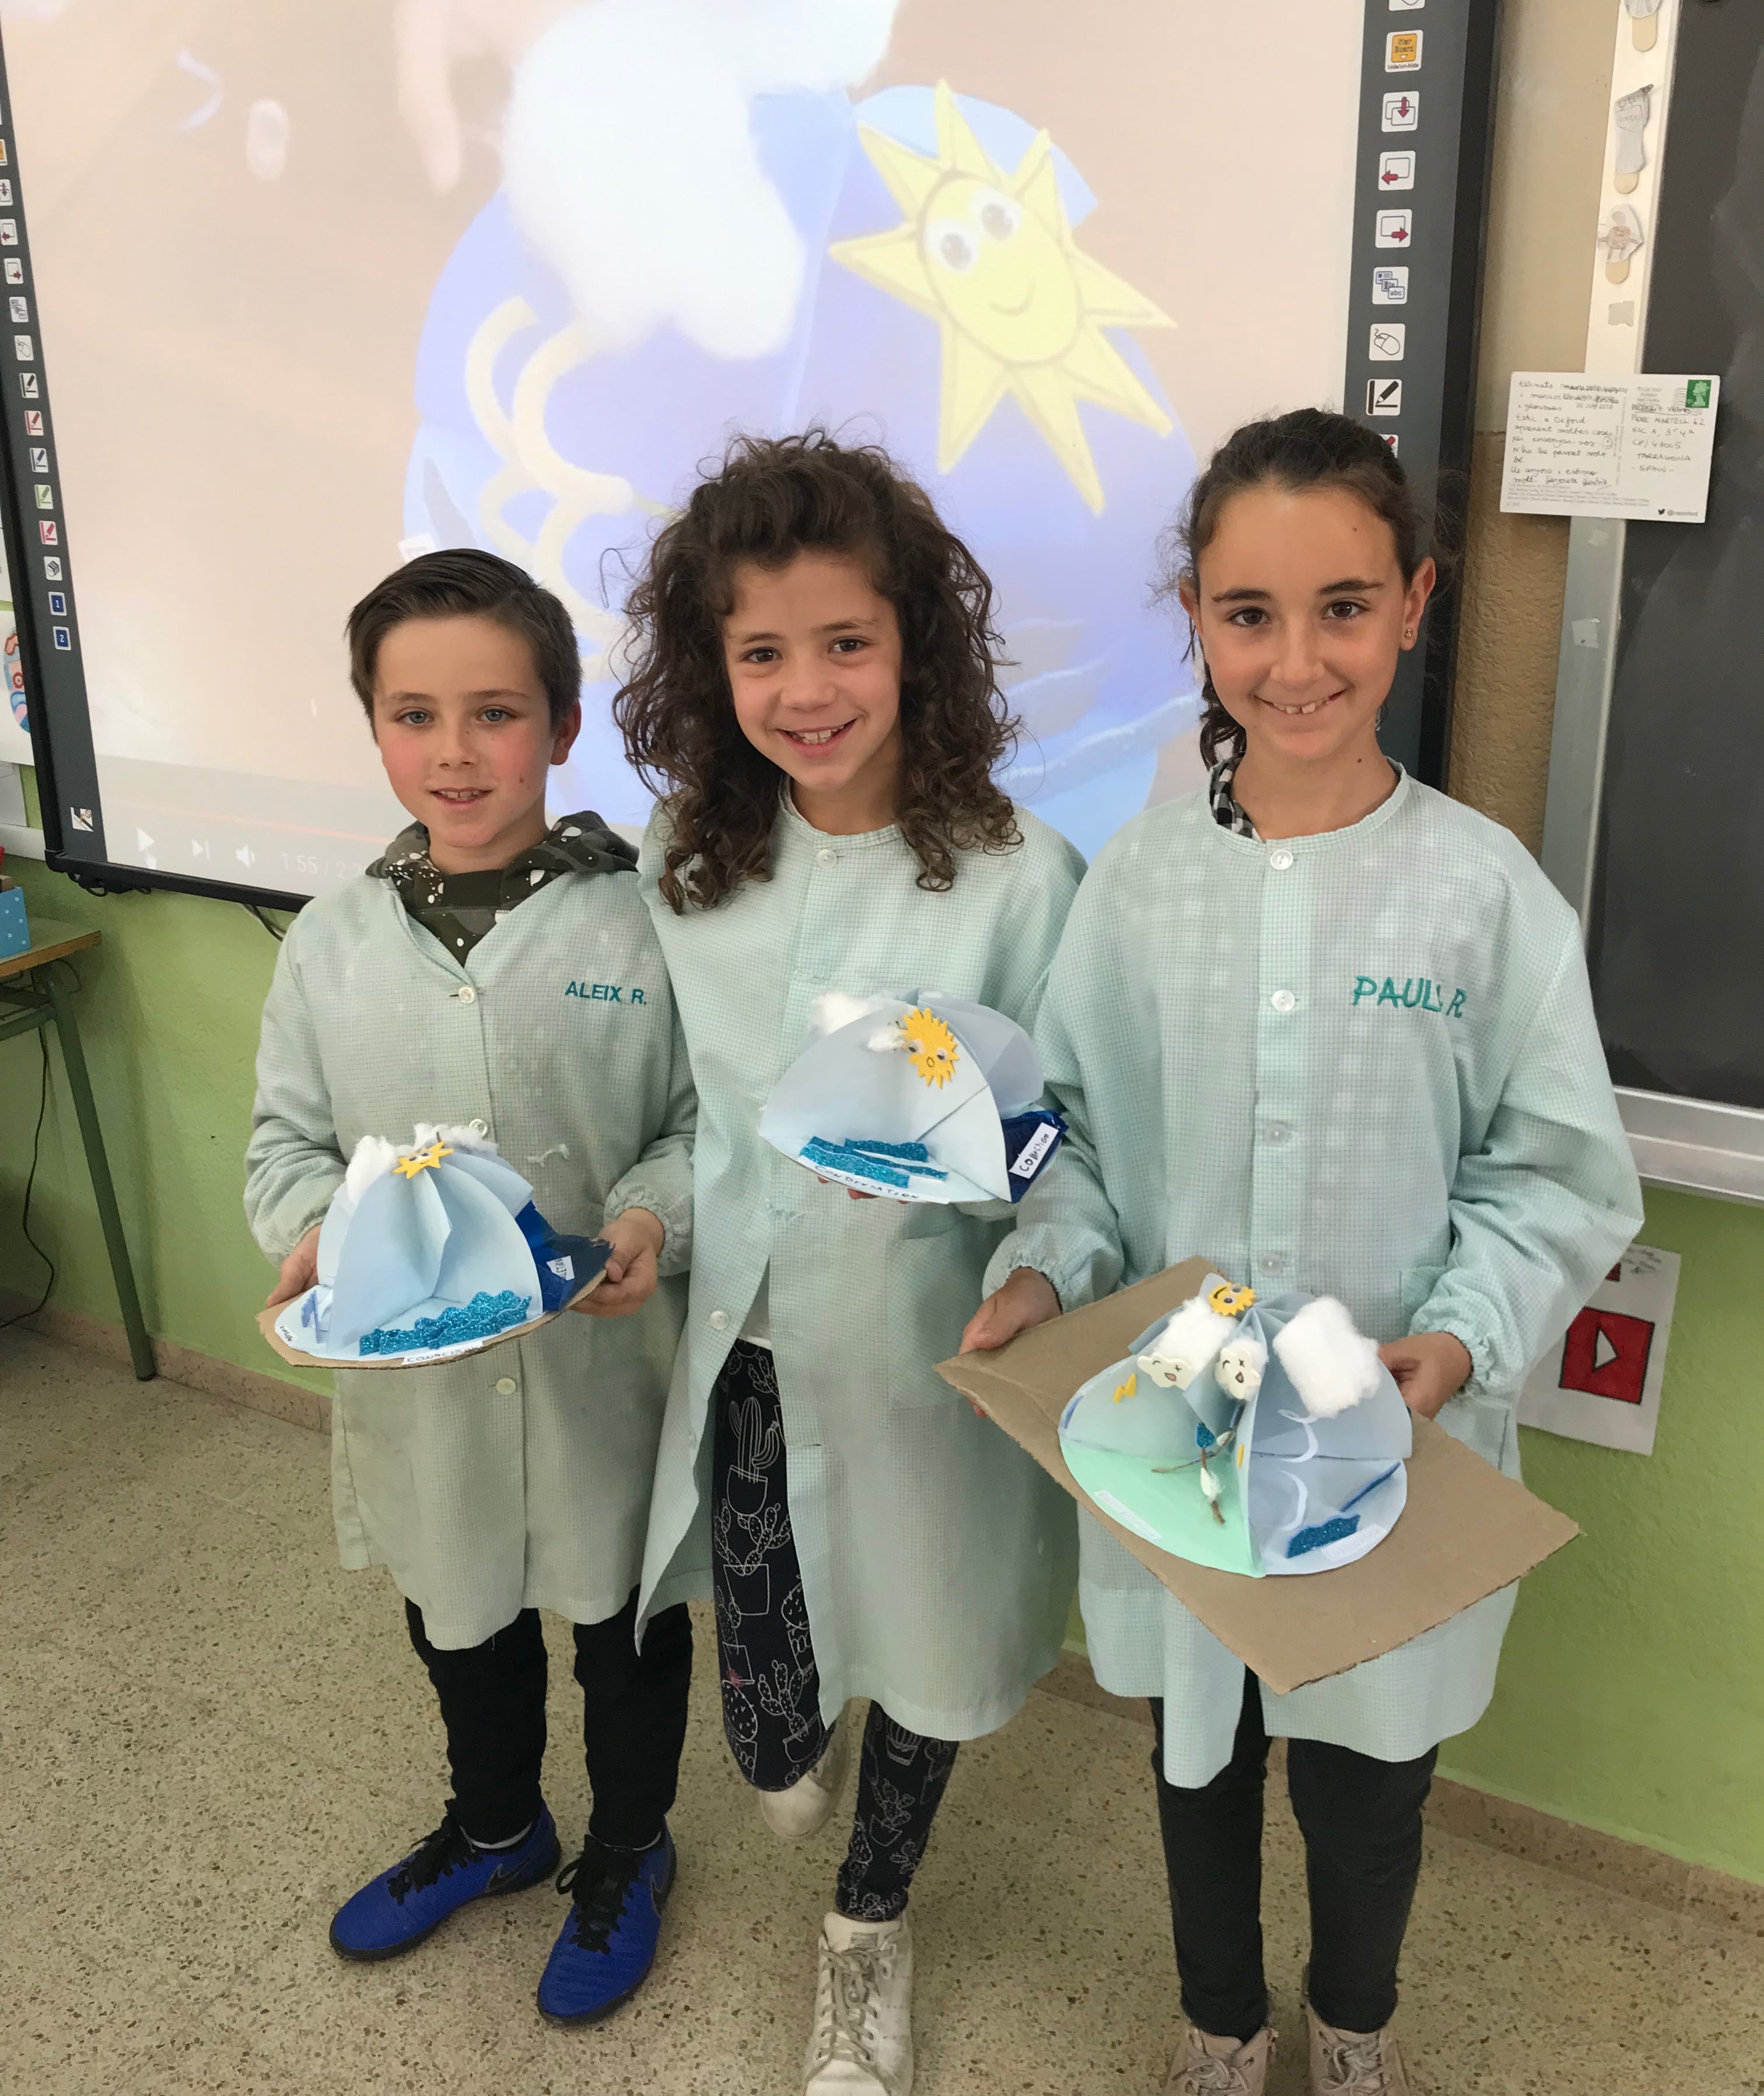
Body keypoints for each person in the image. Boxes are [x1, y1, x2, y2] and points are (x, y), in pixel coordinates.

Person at [970, 411, 1643, 2096]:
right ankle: (1220, 2029)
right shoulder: (1137, 890)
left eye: (1344, 608)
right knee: (1195, 1765)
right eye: (1249, 615)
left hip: (1390, 1447)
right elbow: (1080, 1144)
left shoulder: (1482, 896)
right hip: (1178, 1441)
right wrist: (1045, 1270)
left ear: (1414, 602)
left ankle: (1353, 2032)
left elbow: (1554, 1176)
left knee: (1368, 1786)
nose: (1297, 662)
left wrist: (1464, 1335)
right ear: (1195, 618)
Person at [615, 430, 1083, 2096]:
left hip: (930, 1349)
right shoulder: (687, 864)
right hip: (749, 1345)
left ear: (916, 646)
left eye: (846, 643)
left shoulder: (1021, 879)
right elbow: (689, 1119)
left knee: (930, 1648)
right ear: (711, 666)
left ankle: (870, 1930)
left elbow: (1072, 1136)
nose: (806, 691)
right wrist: (648, 1219)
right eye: (762, 652)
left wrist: (1039, 1266)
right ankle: (789, 1744)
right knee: (767, 1718)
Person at [244, 550, 698, 2025]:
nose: (455, 752)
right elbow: (284, 1148)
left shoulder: (650, 923)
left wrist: (649, 1216)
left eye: (495, 713)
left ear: (561, 727)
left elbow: (704, 1123)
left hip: (606, 1368)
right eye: (414, 715)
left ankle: (630, 1848)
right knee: (460, 1608)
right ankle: (500, 1829)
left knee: (624, 1625)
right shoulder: (330, 943)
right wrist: (319, 1235)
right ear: (374, 726)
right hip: (423, 1382)